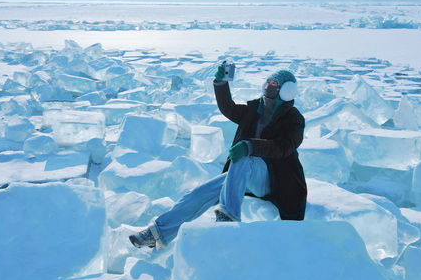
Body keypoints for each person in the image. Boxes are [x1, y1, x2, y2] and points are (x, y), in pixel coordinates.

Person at [129, 65, 307, 249]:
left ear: (286, 92)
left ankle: (227, 218)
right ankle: (157, 232)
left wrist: (250, 146)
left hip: (274, 182)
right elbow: (228, 108)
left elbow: (283, 147)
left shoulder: (294, 119)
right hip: (245, 175)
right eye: (267, 83)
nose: (268, 87)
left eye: (274, 85)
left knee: (245, 157)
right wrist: (221, 83)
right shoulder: (255, 110)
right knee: (199, 193)